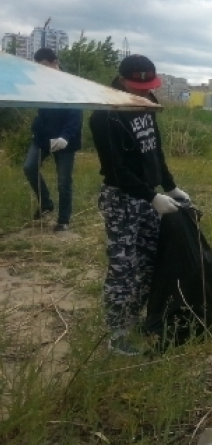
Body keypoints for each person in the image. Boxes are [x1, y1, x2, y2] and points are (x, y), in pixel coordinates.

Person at [89, 55, 190, 355]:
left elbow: (154, 148)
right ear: (121, 80)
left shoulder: (147, 104)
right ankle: (116, 333)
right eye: (138, 86)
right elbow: (117, 169)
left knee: (148, 263)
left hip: (149, 196)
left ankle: (137, 320)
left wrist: (169, 185)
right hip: (122, 199)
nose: (144, 92)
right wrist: (152, 197)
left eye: (148, 86)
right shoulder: (105, 115)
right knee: (123, 267)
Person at [23, 48, 83, 231]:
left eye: (45, 66)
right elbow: (41, 110)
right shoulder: (41, 82)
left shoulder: (70, 83)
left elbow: (76, 112)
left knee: (64, 181)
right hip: (43, 137)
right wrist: (37, 130)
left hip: (65, 140)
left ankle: (63, 220)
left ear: (55, 62)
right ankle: (46, 203)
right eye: (38, 67)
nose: (42, 70)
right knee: (29, 167)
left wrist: (65, 136)